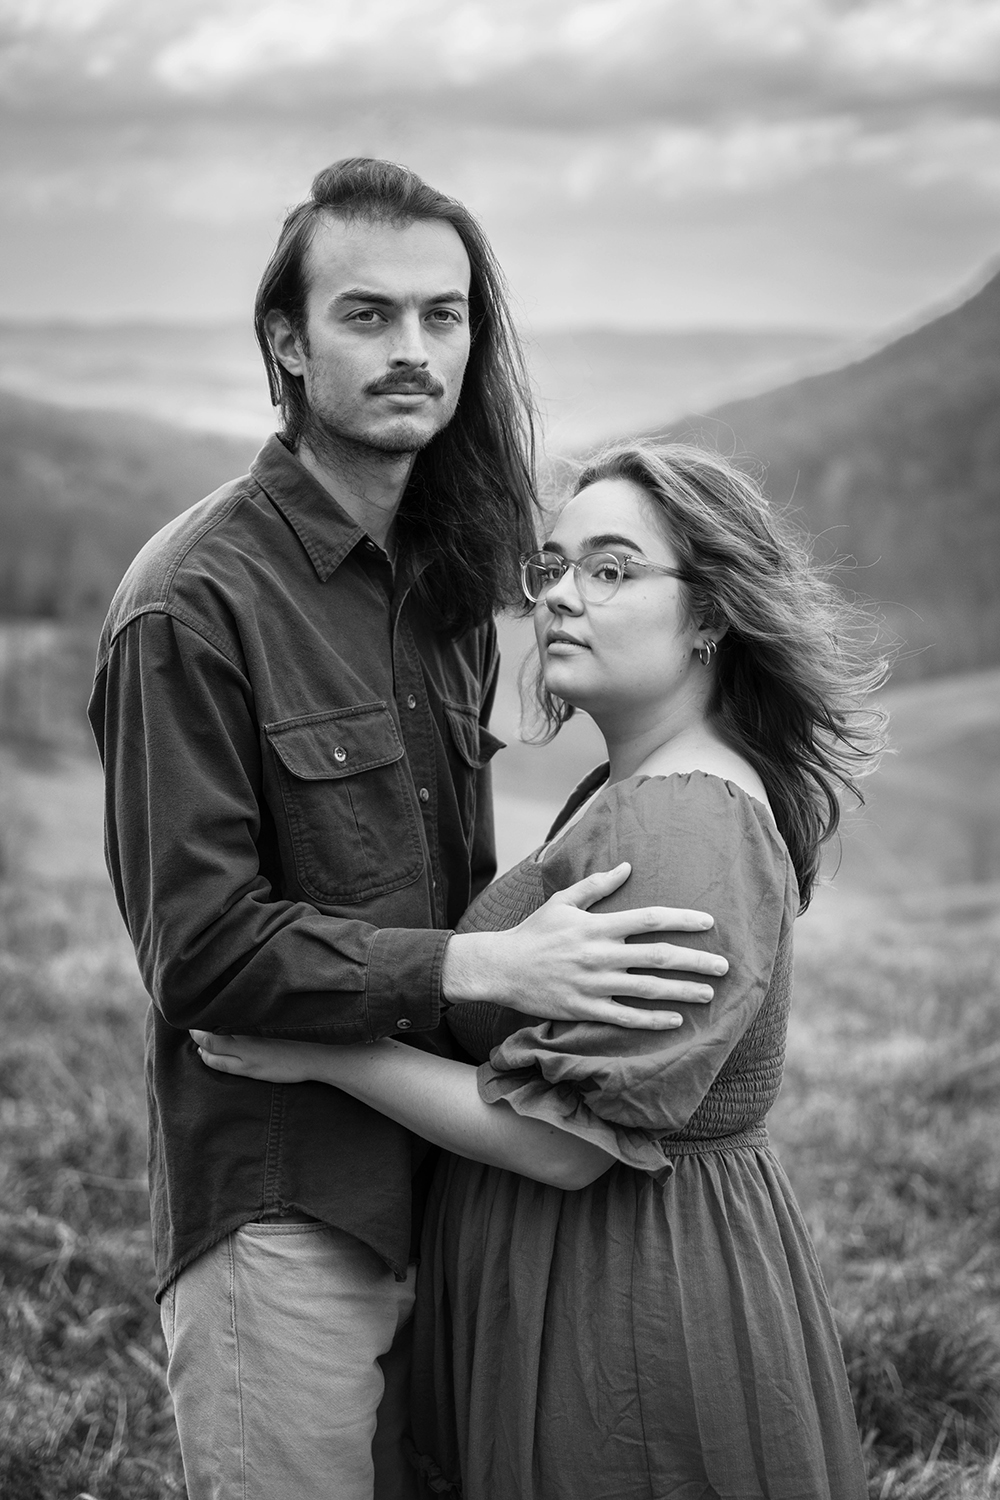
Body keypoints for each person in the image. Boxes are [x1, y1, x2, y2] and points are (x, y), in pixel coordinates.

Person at [88, 161, 728, 1500]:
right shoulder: (193, 605)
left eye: (444, 318)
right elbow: (200, 955)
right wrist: (488, 968)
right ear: (286, 340)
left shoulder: (431, 587)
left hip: (454, 1191)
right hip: (289, 1213)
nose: (413, 353)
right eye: (368, 316)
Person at [194, 439, 886, 1499]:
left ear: (709, 616)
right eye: (553, 568)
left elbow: (568, 1148)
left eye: (610, 570)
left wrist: (324, 1052)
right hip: (581, 1277)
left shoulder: (687, 816)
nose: (562, 597)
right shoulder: (645, 783)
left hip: (631, 1299)